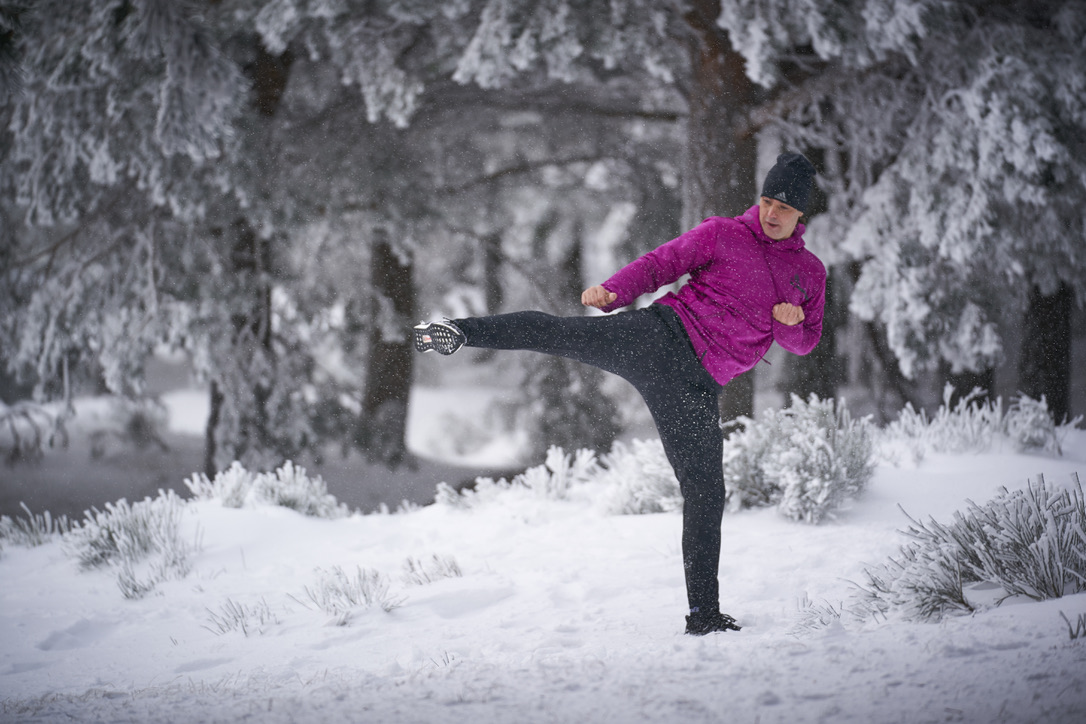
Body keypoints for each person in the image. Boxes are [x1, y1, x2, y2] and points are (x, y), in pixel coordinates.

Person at [413, 153, 826, 635]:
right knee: (559, 333)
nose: (772, 212)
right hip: (657, 338)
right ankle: (456, 332)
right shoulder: (722, 233)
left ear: (802, 215)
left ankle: (704, 616)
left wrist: (789, 323)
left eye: (784, 206)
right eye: (767, 200)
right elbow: (661, 264)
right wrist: (613, 291)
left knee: (706, 493)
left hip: (696, 387)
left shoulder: (809, 274)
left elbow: (806, 340)